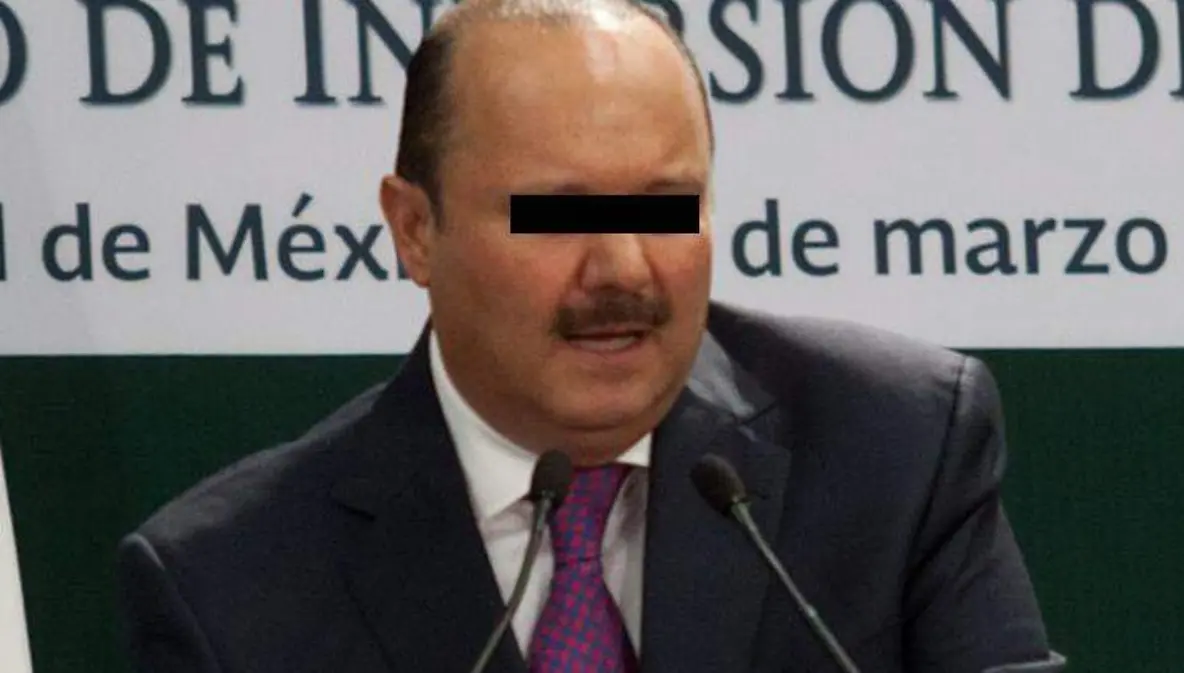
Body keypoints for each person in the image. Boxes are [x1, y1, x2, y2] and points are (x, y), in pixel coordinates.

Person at [117, 1, 1065, 671]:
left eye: (666, 205)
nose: (622, 269)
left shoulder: (895, 450)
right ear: (414, 230)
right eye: (555, 212)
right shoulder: (231, 586)